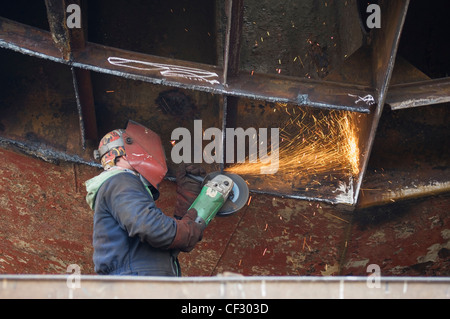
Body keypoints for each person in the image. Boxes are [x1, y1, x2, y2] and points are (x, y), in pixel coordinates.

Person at [85, 120, 205, 276]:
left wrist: (188, 196)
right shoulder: (120, 181)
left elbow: (162, 241)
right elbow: (150, 227)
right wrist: (187, 231)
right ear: (123, 152)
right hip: (136, 285)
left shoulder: (123, 188)